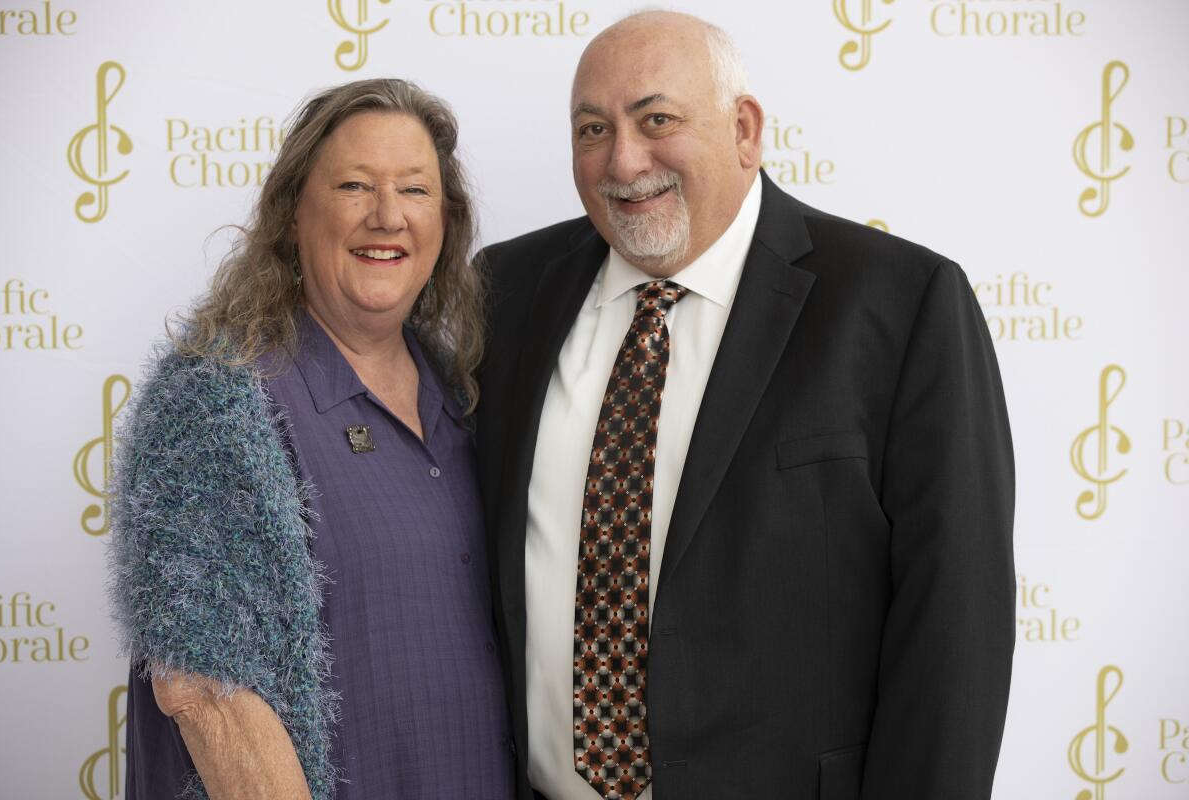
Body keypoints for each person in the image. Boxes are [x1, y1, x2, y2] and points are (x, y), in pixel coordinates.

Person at [475, 11, 1014, 800]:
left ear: (745, 129)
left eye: (656, 119)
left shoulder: (900, 305)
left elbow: (955, 629)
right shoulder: (507, 291)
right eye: (592, 130)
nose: (623, 160)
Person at [109, 79, 513, 800]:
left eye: (415, 191)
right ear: (294, 211)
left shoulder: (461, 393)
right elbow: (207, 692)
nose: (387, 216)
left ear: (446, 221)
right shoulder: (217, 397)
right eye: (355, 185)